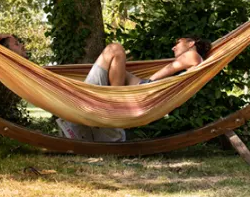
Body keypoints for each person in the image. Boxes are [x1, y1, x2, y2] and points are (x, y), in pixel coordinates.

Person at [56, 35, 212, 142]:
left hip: (146, 90)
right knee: (114, 57)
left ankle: (96, 113)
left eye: (178, 42)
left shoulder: (193, 56)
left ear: (191, 44)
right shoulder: (196, 59)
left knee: (115, 49)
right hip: (145, 89)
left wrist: (150, 81)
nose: (173, 47)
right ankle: (108, 111)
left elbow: (169, 69)